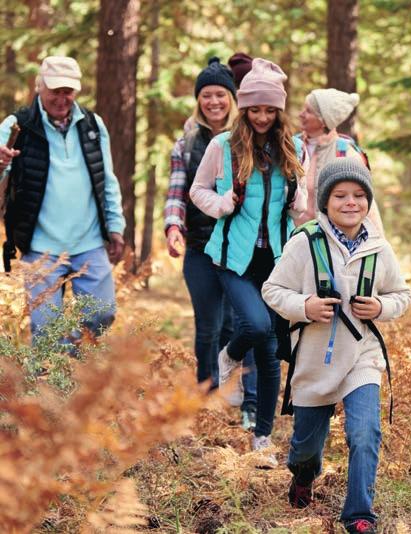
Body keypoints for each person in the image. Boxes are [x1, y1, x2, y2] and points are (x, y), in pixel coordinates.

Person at [261, 159, 411, 534]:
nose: (351, 203)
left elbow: (402, 294)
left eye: (359, 196)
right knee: (306, 449)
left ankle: (359, 515)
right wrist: (305, 306)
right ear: (325, 201)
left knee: (365, 432)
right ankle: (302, 475)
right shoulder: (304, 243)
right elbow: (272, 290)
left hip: (362, 355)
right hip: (315, 359)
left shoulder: (379, 248)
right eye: (341, 195)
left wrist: (381, 307)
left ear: (368, 201)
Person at [190, 58, 306, 455]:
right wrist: (221, 203)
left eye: (268, 110)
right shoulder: (223, 146)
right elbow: (197, 191)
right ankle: (228, 355)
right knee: (254, 326)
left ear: (279, 110)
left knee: (271, 349)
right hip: (232, 257)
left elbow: (299, 202)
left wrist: (300, 201)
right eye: (254, 109)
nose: (260, 117)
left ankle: (263, 436)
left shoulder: (293, 146)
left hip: (277, 259)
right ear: (244, 109)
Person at [0, 56, 125, 348]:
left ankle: (70, 366)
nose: (61, 98)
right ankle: (50, 387)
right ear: (39, 87)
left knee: (102, 314)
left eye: (67, 91)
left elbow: (107, 179)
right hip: (41, 247)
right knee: (46, 333)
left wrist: (116, 226)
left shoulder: (93, 125)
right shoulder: (17, 126)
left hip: (89, 242)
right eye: (55, 90)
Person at [163, 57, 259, 430]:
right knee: (208, 326)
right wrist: (174, 226)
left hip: (240, 246)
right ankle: (206, 397)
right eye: (206, 95)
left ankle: (240, 396)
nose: (213, 101)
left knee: (239, 325)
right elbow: (176, 193)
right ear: (198, 99)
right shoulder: (186, 142)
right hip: (201, 246)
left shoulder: (247, 136)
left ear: (232, 98)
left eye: (220, 94)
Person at [294, 88, 383, 233]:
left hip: (329, 245)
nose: (301, 114)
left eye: (308, 111)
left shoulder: (346, 154)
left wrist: (379, 247)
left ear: (324, 121)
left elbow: (366, 205)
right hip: (291, 242)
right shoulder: (291, 147)